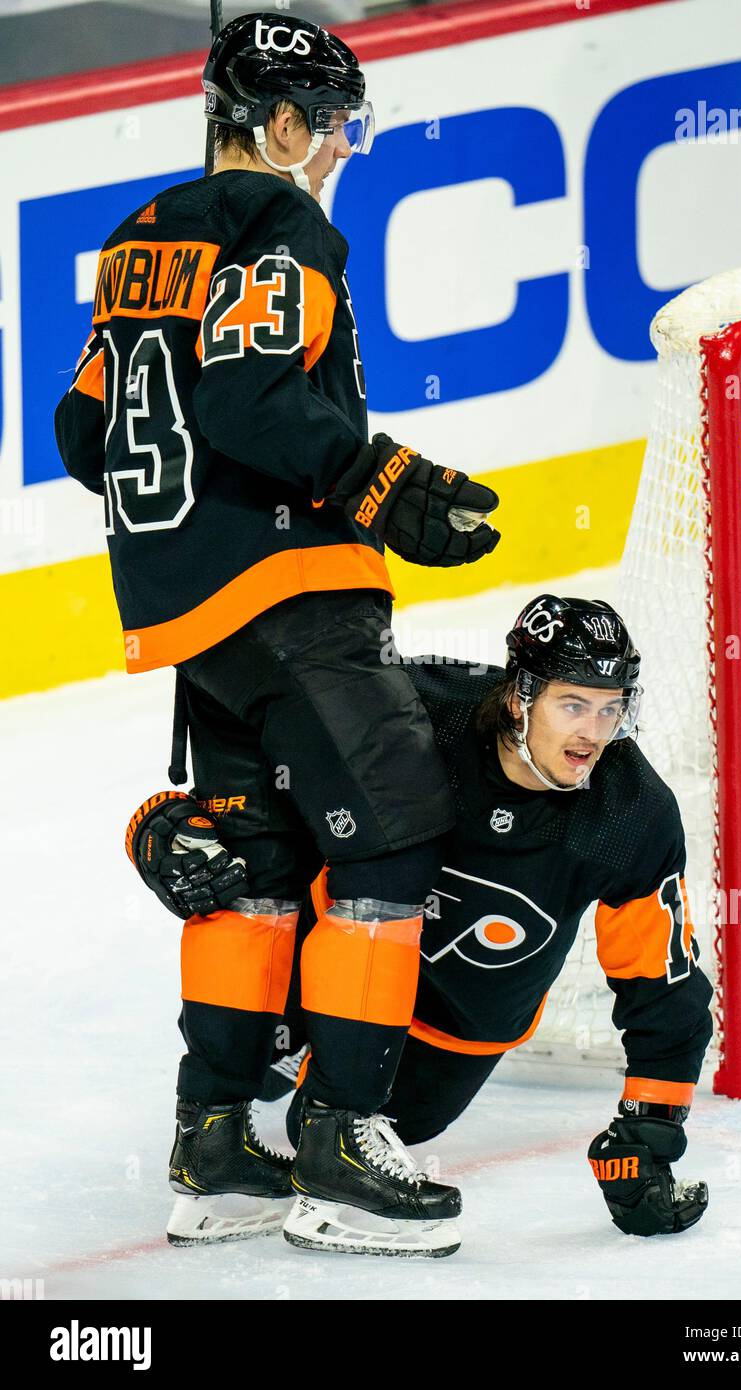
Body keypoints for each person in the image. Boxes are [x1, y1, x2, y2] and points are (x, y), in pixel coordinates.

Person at [55, 12, 500, 1258]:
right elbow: (250, 396)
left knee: (247, 859)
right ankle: (340, 1142)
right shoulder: (283, 222)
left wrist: (187, 522)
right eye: (336, 126)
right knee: (395, 825)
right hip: (287, 590)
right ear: (283, 123)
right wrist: (385, 482)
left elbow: (84, 433)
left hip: (190, 607)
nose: (341, 150)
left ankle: (213, 1145)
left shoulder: (144, 235)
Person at [130, 595, 713, 1256]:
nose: (594, 735)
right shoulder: (418, 708)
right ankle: (220, 1140)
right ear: (520, 696)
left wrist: (648, 1137)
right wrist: (164, 824)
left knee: (312, 1127)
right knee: (257, 1046)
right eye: (573, 705)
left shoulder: (631, 813)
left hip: (454, 1036)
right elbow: (270, 726)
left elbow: (664, 985)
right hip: (332, 966)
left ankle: (319, 1119)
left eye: (612, 709)